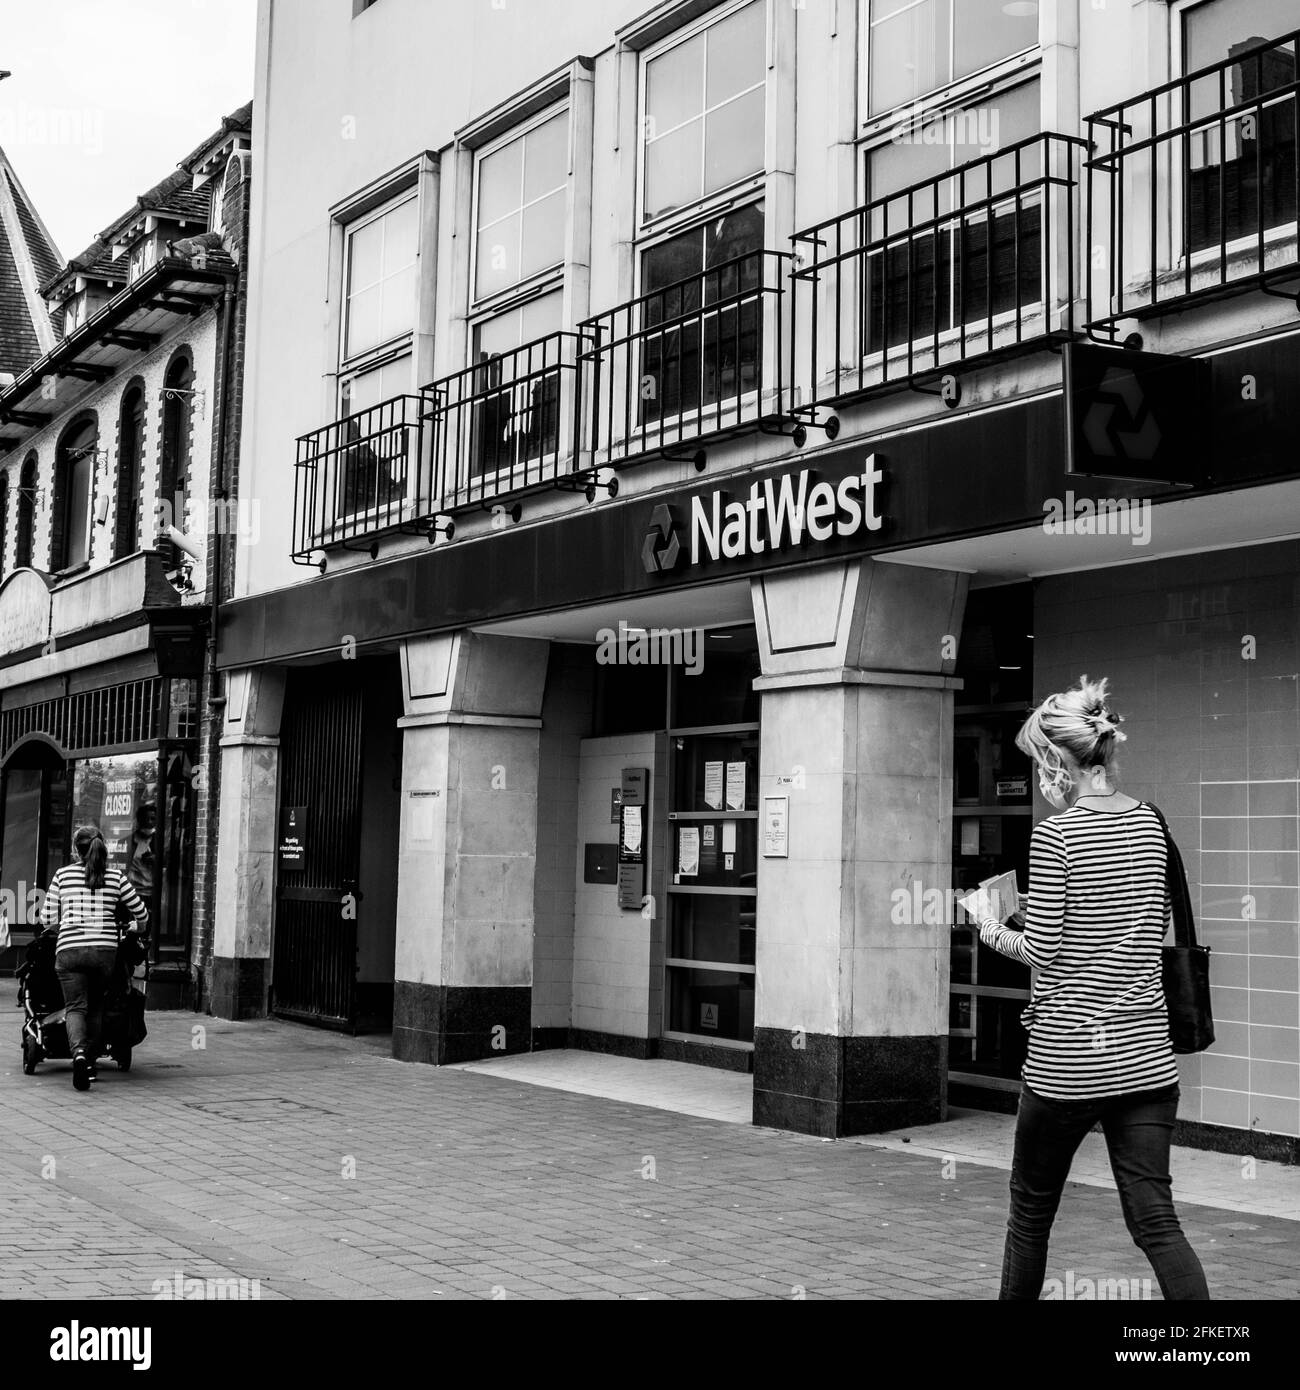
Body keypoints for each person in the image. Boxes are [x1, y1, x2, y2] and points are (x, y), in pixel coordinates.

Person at [978, 676, 1209, 1301]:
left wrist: (990, 925)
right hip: (1147, 1061)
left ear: (1057, 760)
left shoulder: (1056, 834)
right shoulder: (1152, 822)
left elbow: (1045, 952)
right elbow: (1134, 928)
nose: (1037, 776)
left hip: (1069, 1065)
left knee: (1029, 1218)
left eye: (1036, 762)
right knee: (1158, 1223)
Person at [41, 825, 149, 1092]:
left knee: (76, 1007)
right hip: (104, 955)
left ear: (76, 850)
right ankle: (89, 1062)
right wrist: (138, 928)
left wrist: (60, 924)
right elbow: (141, 913)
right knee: (97, 1007)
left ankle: (77, 1054)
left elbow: (46, 918)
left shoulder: (63, 875)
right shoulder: (116, 877)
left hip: (70, 952)